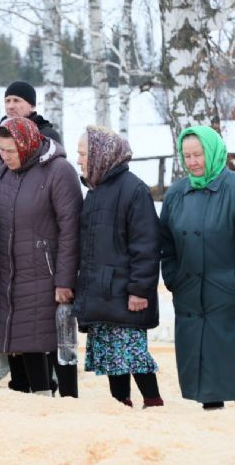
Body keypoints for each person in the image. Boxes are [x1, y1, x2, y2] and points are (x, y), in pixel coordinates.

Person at [160, 125, 235, 410]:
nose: (193, 162)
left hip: (230, 296)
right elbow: (165, 244)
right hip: (190, 295)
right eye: (187, 156)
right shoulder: (177, 194)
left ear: (213, 152)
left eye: (198, 154)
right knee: (204, 376)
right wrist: (174, 278)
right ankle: (212, 435)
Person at [0, 117, 82, 396]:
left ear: (27, 145)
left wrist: (65, 280)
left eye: (11, 150)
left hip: (48, 274)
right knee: (24, 336)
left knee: (56, 338)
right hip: (13, 273)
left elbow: (70, 229)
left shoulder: (58, 171)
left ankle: (68, 398)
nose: (6, 156)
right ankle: (39, 397)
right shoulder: (4, 176)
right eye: (1, 150)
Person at [73, 126, 164, 408]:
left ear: (102, 154)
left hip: (126, 293)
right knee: (113, 358)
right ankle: (120, 406)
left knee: (132, 354)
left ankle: (153, 402)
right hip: (102, 291)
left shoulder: (133, 190)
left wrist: (139, 290)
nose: (79, 160)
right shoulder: (96, 190)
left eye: (84, 153)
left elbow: (146, 246)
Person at [0, 81, 62, 176]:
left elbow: (56, 175)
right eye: (7, 101)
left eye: (16, 100)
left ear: (32, 106)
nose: (10, 106)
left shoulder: (47, 137)